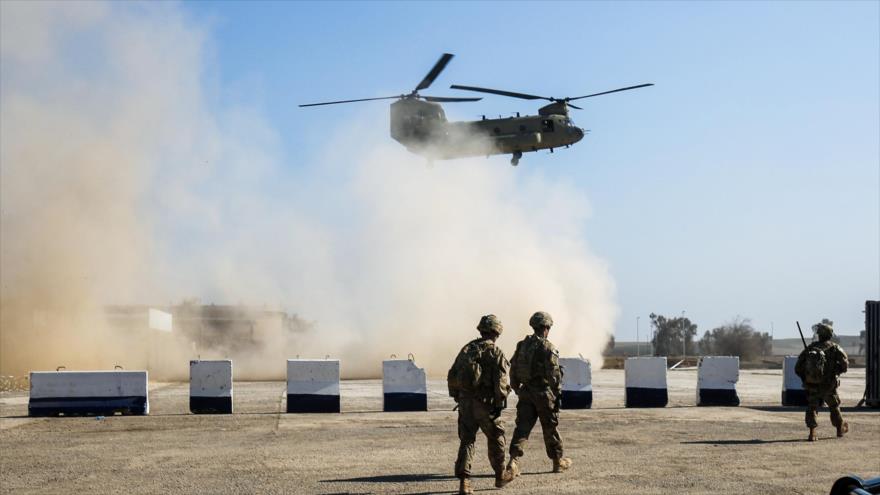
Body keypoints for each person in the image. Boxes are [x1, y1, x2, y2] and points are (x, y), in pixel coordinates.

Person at [447, 314, 514, 495]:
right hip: (485, 405)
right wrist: (500, 402)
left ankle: (465, 483)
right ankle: (500, 475)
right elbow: (501, 385)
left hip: (466, 403)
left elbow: (452, 375)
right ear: (496, 332)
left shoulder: (467, 349)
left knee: (467, 440)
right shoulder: (495, 352)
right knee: (496, 437)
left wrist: (458, 397)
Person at [506, 311, 572, 476]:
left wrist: (517, 388)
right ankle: (557, 462)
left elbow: (513, 368)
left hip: (526, 392)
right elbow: (554, 375)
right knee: (550, 428)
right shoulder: (548, 347)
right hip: (543, 393)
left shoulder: (522, 345)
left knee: (522, 428)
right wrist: (557, 395)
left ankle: (513, 462)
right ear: (546, 327)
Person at [794, 322, 849, 441]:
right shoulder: (835, 348)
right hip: (829, 385)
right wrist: (837, 371)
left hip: (813, 385)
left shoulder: (811, 348)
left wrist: (807, 378)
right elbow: (845, 365)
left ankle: (812, 433)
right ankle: (839, 429)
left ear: (819, 335)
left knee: (812, 407)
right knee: (834, 406)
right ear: (830, 334)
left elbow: (798, 368)